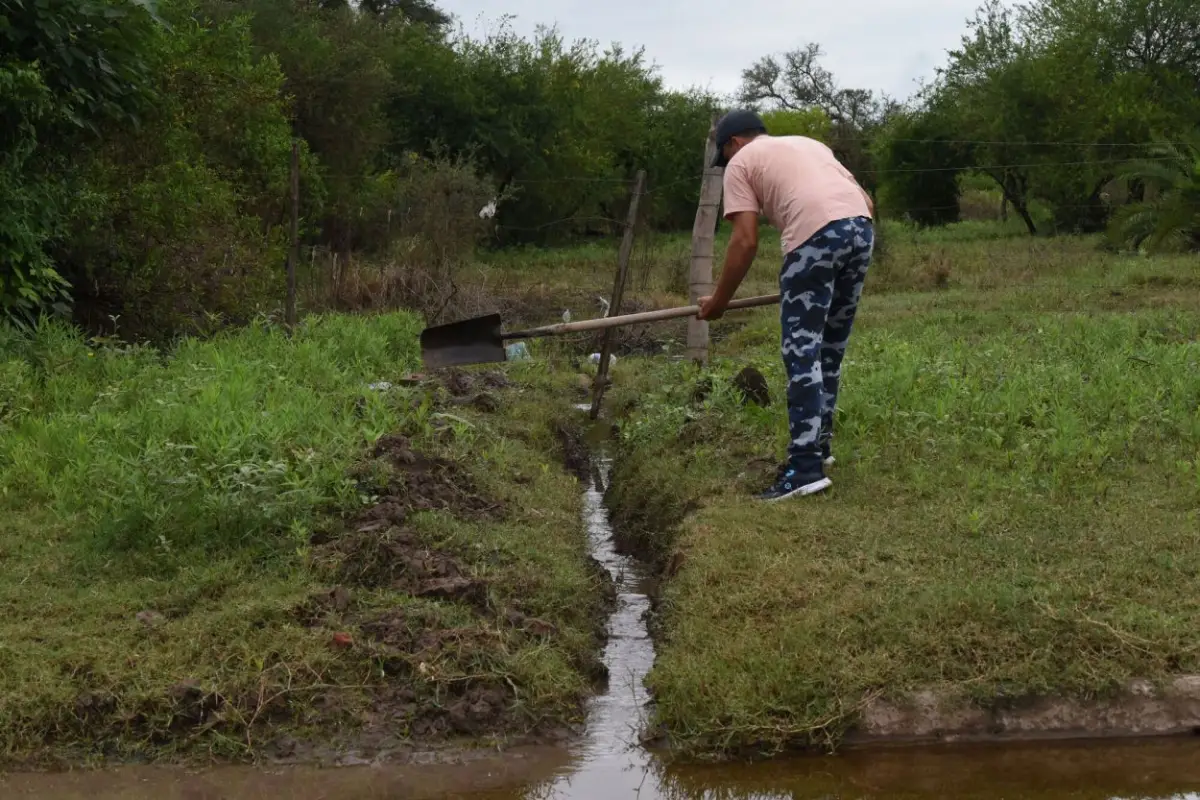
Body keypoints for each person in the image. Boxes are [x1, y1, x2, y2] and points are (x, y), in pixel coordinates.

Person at [697, 109, 875, 502]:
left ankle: (804, 468)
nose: (726, 163)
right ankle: (819, 449)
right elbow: (867, 201)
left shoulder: (740, 163)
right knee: (828, 352)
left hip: (814, 237)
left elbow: (744, 240)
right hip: (861, 230)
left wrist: (719, 303)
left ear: (733, 144)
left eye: (724, 156)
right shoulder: (808, 144)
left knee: (802, 352)